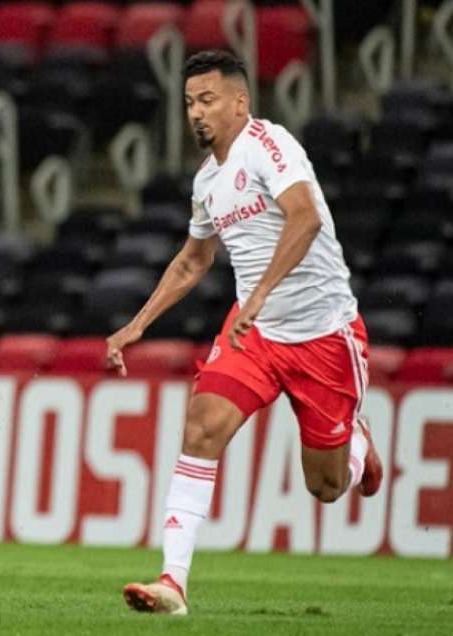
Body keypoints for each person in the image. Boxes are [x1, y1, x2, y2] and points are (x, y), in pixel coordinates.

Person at [105, 50, 382, 616]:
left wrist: (258, 293)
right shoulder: (207, 179)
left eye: (207, 100)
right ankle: (173, 584)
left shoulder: (270, 145)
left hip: (322, 335)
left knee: (325, 487)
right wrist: (136, 326)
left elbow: (303, 217)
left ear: (240, 101)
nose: (197, 113)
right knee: (202, 427)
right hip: (252, 335)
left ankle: (357, 448)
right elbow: (192, 261)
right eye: (189, 103)